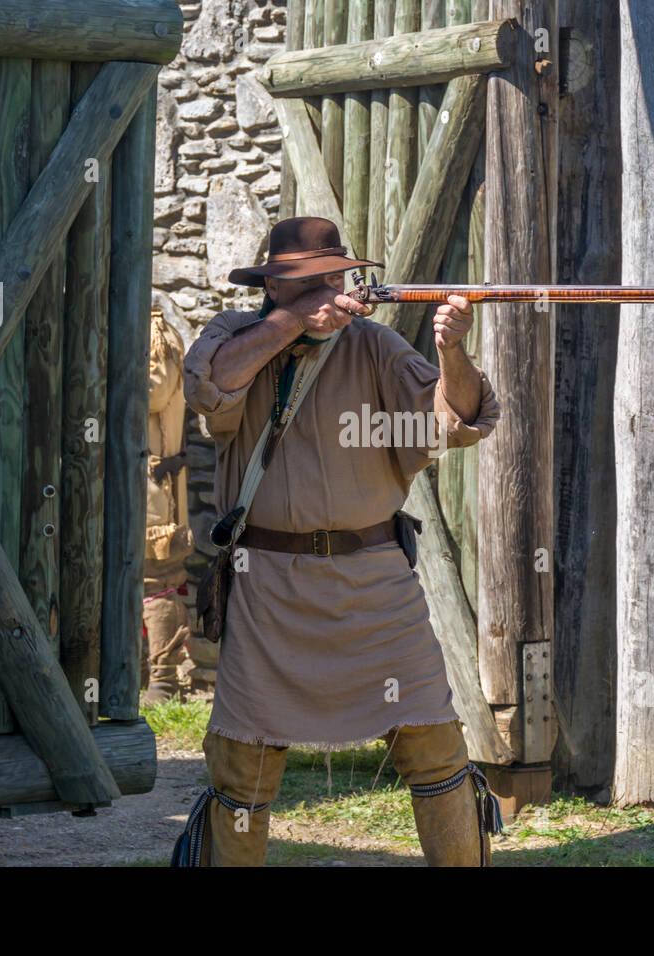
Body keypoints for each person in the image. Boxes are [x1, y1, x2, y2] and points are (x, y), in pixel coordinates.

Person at [176, 216, 503, 866]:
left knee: (438, 752)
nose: (331, 292)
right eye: (309, 283)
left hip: (374, 583)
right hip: (268, 585)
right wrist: (296, 321)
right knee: (242, 774)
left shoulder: (376, 347)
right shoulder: (234, 336)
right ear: (274, 286)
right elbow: (211, 384)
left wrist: (451, 353)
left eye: (335, 280)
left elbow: (455, 421)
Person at [140, 308, 195, 705]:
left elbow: (155, 392)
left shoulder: (154, 333)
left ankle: (163, 679)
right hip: (123, 486)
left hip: (152, 491)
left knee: (155, 580)